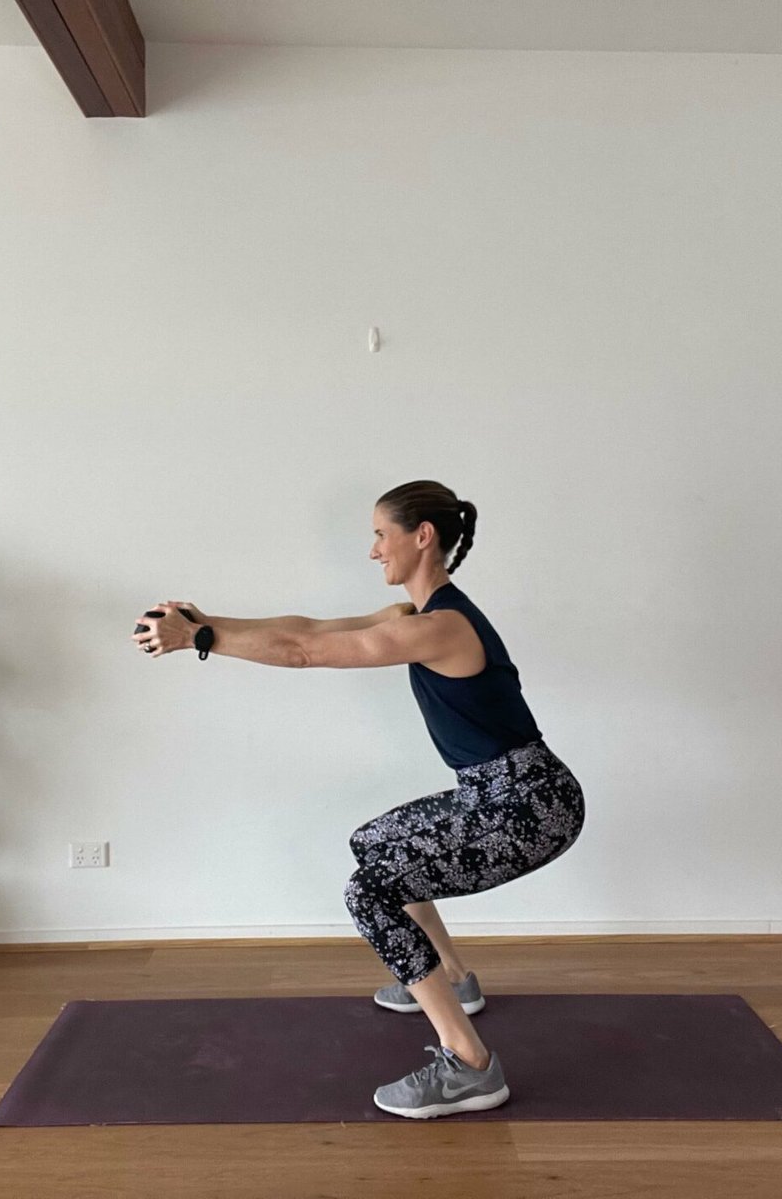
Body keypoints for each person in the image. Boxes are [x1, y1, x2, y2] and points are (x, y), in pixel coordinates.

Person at [132, 479, 586, 1119]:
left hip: (530, 806)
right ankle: (453, 979)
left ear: (420, 536)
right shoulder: (418, 615)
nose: (373, 550)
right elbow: (306, 627)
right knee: (375, 845)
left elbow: (303, 654)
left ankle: (472, 1066)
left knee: (367, 891)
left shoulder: (444, 628)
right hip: (497, 793)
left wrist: (197, 642)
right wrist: (206, 622)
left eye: (380, 533)